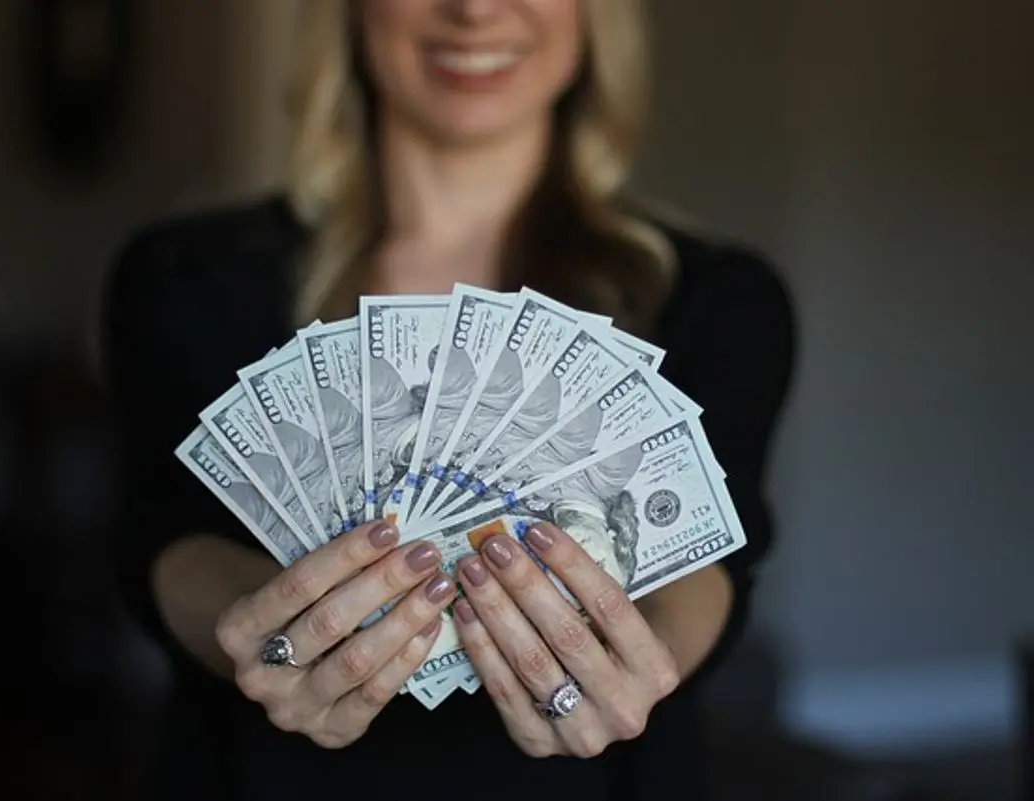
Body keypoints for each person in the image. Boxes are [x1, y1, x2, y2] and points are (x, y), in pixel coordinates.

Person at [100, 1, 796, 799]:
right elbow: (161, 540)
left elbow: (712, 559)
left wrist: (645, 655)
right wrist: (264, 629)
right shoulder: (185, 276)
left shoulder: (718, 298)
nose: (473, 9)